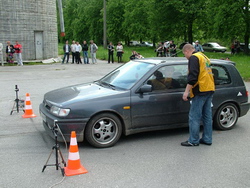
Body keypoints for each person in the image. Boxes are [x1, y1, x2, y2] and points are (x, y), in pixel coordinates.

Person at [181, 44, 215, 147]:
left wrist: (186, 91)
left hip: (200, 90)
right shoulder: (204, 57)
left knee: (194, 117)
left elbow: (193, 76)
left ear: (187, 51)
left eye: (184, 54)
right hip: (209, 88)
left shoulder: (194, 58)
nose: (185, 57)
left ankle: (193, 140)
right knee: (207, 116)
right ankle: (207, 139)